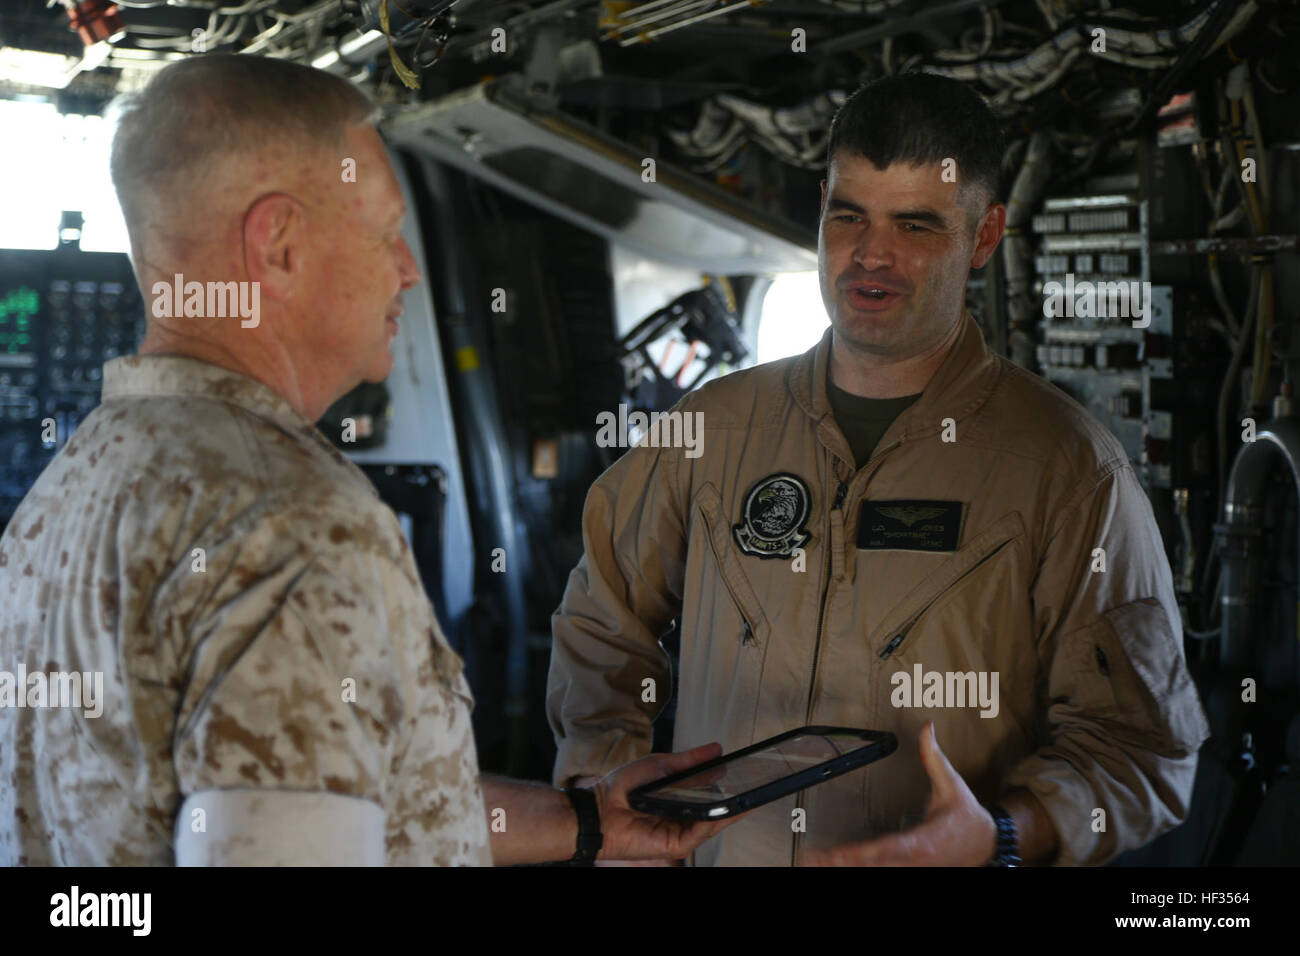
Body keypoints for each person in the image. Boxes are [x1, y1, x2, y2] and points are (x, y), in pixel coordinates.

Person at [0, 53, 735, 867]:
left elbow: (315, 797)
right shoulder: (294, 521)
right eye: (387, 232)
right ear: (277, 243)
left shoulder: (72, 486)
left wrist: (587, 821)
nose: (408, 269)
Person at [547, 72, 1211, 867]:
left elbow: (1141, 753)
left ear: (986, 237)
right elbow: (602, 624)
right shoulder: (710, 429)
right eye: (848, 215)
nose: (871, 254)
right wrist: (609, 804)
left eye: (917, 225)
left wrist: (1002, 834)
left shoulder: (1069, 471)